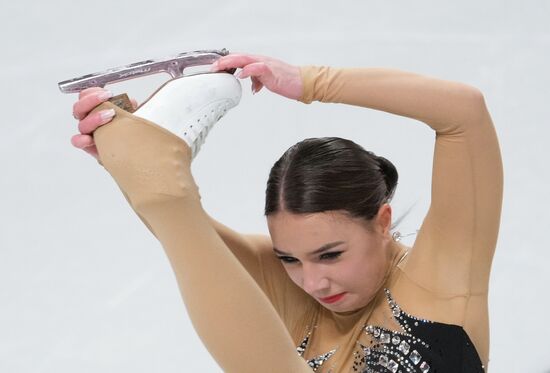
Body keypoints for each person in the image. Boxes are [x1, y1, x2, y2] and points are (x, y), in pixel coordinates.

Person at [70, 53, 503, 373]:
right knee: (178, 221)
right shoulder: (298, 298)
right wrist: (126, 166)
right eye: (289, 259)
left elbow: (463, 112)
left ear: (382, 222)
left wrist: (313, 82)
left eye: (330, 254)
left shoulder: (440, 281)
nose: (312, 282)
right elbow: (183, 236)